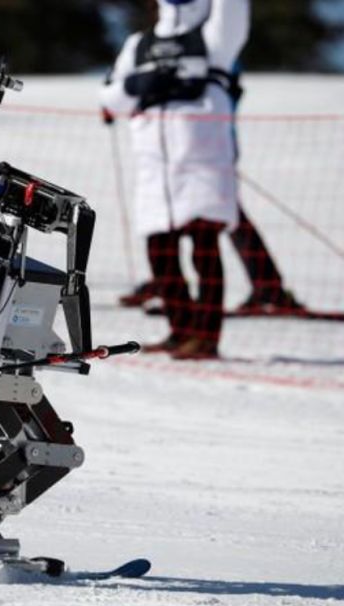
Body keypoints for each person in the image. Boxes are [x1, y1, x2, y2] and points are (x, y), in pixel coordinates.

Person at [101, 0, 250, 359]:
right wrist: (138, 83)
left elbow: (233, 9)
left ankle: (206, 337)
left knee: (204, 247)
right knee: (160, 251)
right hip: (154, 165)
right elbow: (110, 98)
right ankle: (180, 330)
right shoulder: (139, 44)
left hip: (203, 161)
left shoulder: (213, 37)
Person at [117, 61, 304, 316]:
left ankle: (267, 287)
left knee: (208, 222)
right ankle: (263, 285)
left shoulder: (213, 57)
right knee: (178, 220)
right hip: (184, 149)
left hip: (204, 151)